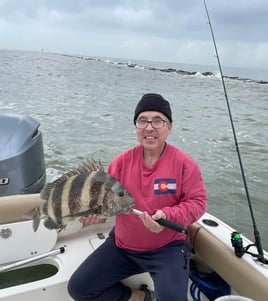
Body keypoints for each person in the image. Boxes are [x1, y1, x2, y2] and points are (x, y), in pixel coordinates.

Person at [68, 93, 207, 301]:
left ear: (169, 127)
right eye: (142, 121)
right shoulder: (121, 162)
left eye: (158, 121)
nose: (149, 127)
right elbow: (105, 202)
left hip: (167, 249)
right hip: (121, 246)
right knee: (79, 289)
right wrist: (96, 214)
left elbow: (198, 203)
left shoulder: (184, 164)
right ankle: (140, 297)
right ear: (136, 127)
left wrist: (168, 215)